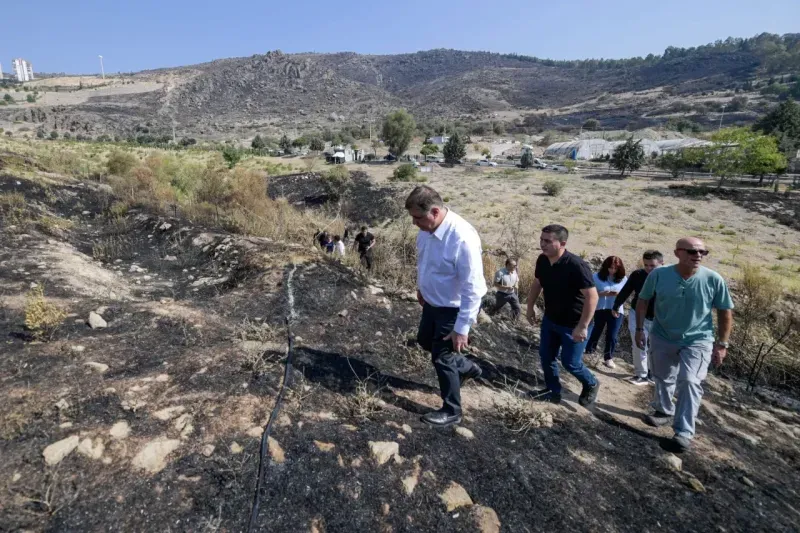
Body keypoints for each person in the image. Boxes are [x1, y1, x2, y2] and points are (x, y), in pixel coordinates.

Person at [636, 237, 733, 453]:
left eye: (702, 252)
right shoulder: (659, 275)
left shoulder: (713, 279)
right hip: (662, 335)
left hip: (698, 340)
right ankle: (663, 411)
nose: (697, 255)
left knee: (690, 381)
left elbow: (725, 312)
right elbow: (642, 301)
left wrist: (722, 344)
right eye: (691, 251)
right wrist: (640, 329)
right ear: (677, 253)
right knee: (662, 376)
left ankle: (683, 432)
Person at [407, 185, 486, 427]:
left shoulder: (461, 237)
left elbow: (473, 287)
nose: (414, 223)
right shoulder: (427, 230)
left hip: (453, 309)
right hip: (432, 303)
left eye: (417, 217)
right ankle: (465, 367)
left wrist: (463, 327)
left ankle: (452, 410)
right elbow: (426, 262)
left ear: (434, 211)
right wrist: (422, 288)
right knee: (423, 341)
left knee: (442, 357)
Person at [526, 225, 600, 406]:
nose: (542, 244)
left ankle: (591, 383)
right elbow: (537, 283)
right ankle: (553, 391)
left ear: (562, 243)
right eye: (541, 239)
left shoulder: (576, 265)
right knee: (546, 356)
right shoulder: (543, 260)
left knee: (571, 363)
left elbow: (592, 296)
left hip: (574, 323)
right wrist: (529, 307)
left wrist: (582, 326)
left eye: (548, 241)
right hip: (550, 319)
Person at [612, 250, 664, 385]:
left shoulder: (669, 277)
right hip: (637, 314)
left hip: (660, 318)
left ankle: (653, 373)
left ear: (661, 263)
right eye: (646, 265)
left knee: (656, 346)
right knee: (638, 344)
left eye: (652, 265)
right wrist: (616, 305)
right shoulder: (638, 275)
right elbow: (626, 290)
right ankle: (641, 374)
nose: (648, 268)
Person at [585, 256, 627, 369]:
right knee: (596, 330)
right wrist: (602, 293)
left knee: (612, 335)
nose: (612, 270)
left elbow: (626, 293)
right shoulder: (596, 277)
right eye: (610, 268)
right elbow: (589, 293)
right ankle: (589, 351)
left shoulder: (623, 279)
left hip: (617, 309)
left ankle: (608, 357)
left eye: (615, 268)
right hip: (600, 308)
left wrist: (618, 295)